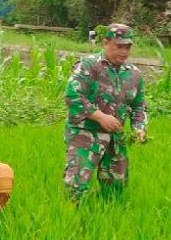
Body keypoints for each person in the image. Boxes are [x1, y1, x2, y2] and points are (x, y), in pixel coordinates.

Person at [63, 23, 148, 203]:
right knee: (76, 186)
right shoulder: (89, 66)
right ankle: (71, 220)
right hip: (85, 133)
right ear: (106, 42)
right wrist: (99, 116)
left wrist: (139, 128)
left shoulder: (134, 75)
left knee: (115, 190)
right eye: (119, 46)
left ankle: (107, 218)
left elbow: (139, 107)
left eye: (128, 47)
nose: (124, 51)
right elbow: (72, 95)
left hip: (115, 138)